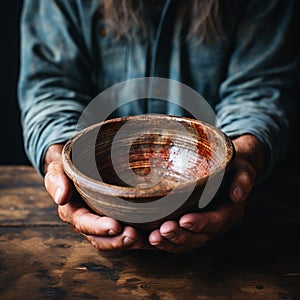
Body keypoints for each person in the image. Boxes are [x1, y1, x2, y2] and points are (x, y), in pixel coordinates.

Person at [18, 0, 298, 253]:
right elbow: (50, 88)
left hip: (230, 224)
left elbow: (260, 90)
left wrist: (244, 158)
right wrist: (61, 164)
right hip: (96, 197)